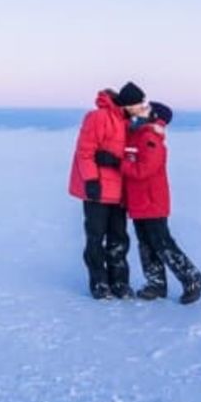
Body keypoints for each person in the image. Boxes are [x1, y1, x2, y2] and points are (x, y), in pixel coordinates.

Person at [120, 101, 201, 304]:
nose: (140, 111)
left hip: (152, 202)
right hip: (140, 202)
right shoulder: (138, 134)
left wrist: (118, 163)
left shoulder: (150, 138)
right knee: (147, 244)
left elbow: (143, 170)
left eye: (145, 109)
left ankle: (191, 279)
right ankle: (156, 284)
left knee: (162, 243)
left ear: (153, 116)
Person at [69, 81, 149, 299]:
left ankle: (120, 283)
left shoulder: (128, 122)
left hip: (120, 191)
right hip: (98, 190)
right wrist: (91, 180)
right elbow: (85, 151)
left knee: (119, 238)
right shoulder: (98, 117)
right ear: (129, 103)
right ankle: (99, 284)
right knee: (96, 237)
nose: (142, 106)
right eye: (139, 102)